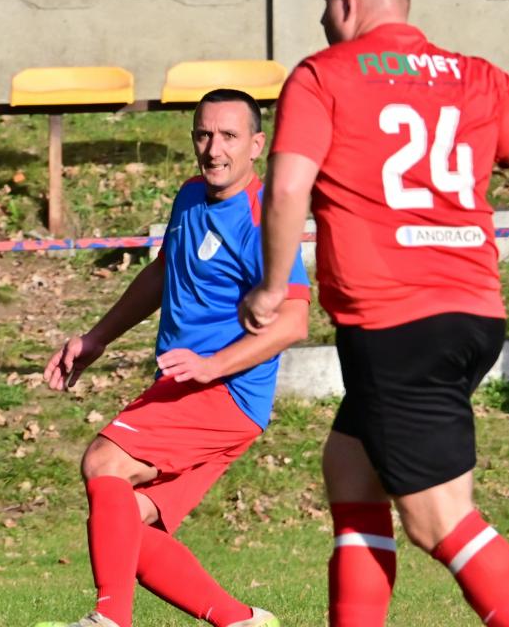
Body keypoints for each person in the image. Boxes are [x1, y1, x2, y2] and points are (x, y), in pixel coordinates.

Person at [239, 0, 509, 627]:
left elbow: (286, 189)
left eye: (323, 4)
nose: (322, 19)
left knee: (439, 521)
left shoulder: (323, 75)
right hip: (473, 316)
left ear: (345, 3)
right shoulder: (480, 78)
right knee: (350, 468)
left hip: (395, 323)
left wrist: (272, 288)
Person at [37, 89, 311, 627]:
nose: (214, 149)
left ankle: (110, 620)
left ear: (257, 145)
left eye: (229, 136)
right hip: (199, 389)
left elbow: (294, 322)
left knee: (105, 462)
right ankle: (243, 622)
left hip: (224, 389)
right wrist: (97, 338)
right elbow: (164, 272)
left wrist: (212, 367)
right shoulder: (190, 195)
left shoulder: (262, 219)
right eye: (204, 135)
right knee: (125, 527)